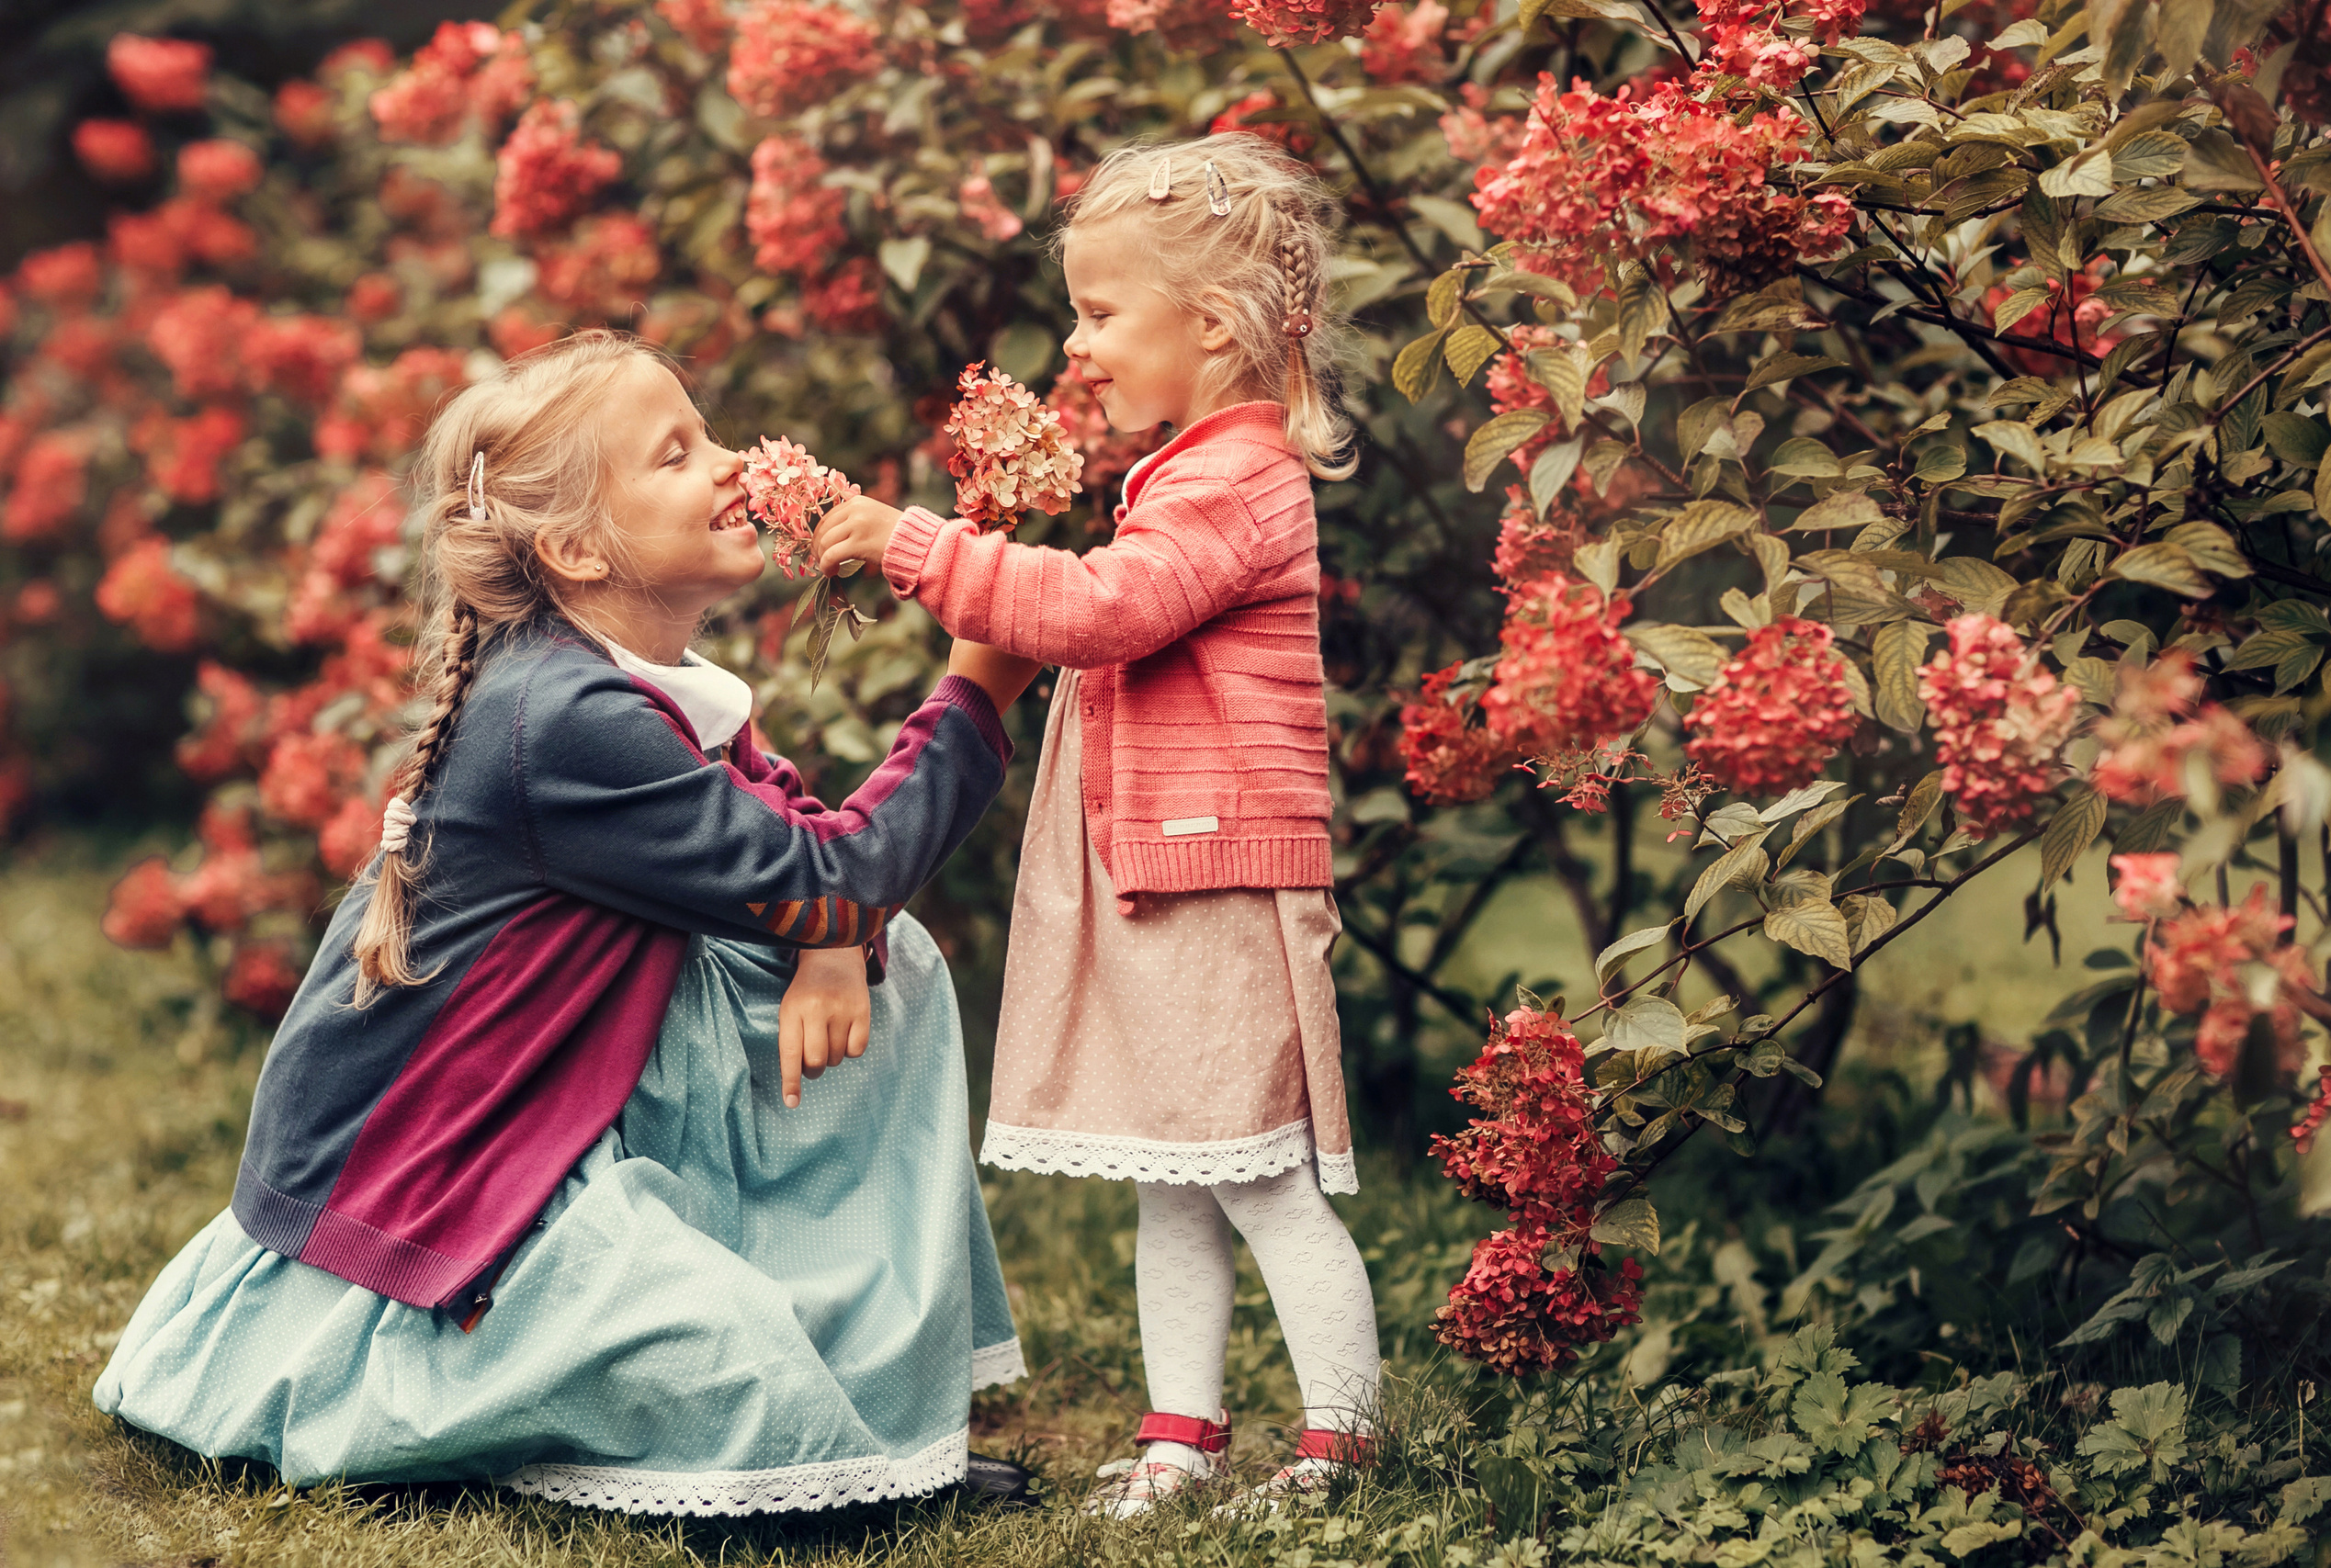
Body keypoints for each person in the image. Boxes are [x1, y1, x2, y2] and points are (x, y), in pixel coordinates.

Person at [94, 331, 1045, 1517]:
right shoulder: (564, 717)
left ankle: (820, 1340)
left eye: (710, 432)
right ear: (579, 550)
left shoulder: (626, 680)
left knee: (889, 954)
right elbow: (832, 872)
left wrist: (835, 934)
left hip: (553, 1103)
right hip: (456, 1170)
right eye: (675, 454)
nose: (732, 462)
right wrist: (976, 693)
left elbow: (802, 857)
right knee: (738, 1386)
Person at [815, 133, 1380, 1517]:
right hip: (1170, 866)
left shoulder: (1235, 483)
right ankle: (1181, 1437)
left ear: (1213, 324)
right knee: (1174, 1175)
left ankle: (1345, 1443)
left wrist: (913, 544)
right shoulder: (1189, 473)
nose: (1078, 343)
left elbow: (1102, 611)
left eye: (1101, 312)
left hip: (1220, 877)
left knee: (1258, 1177)